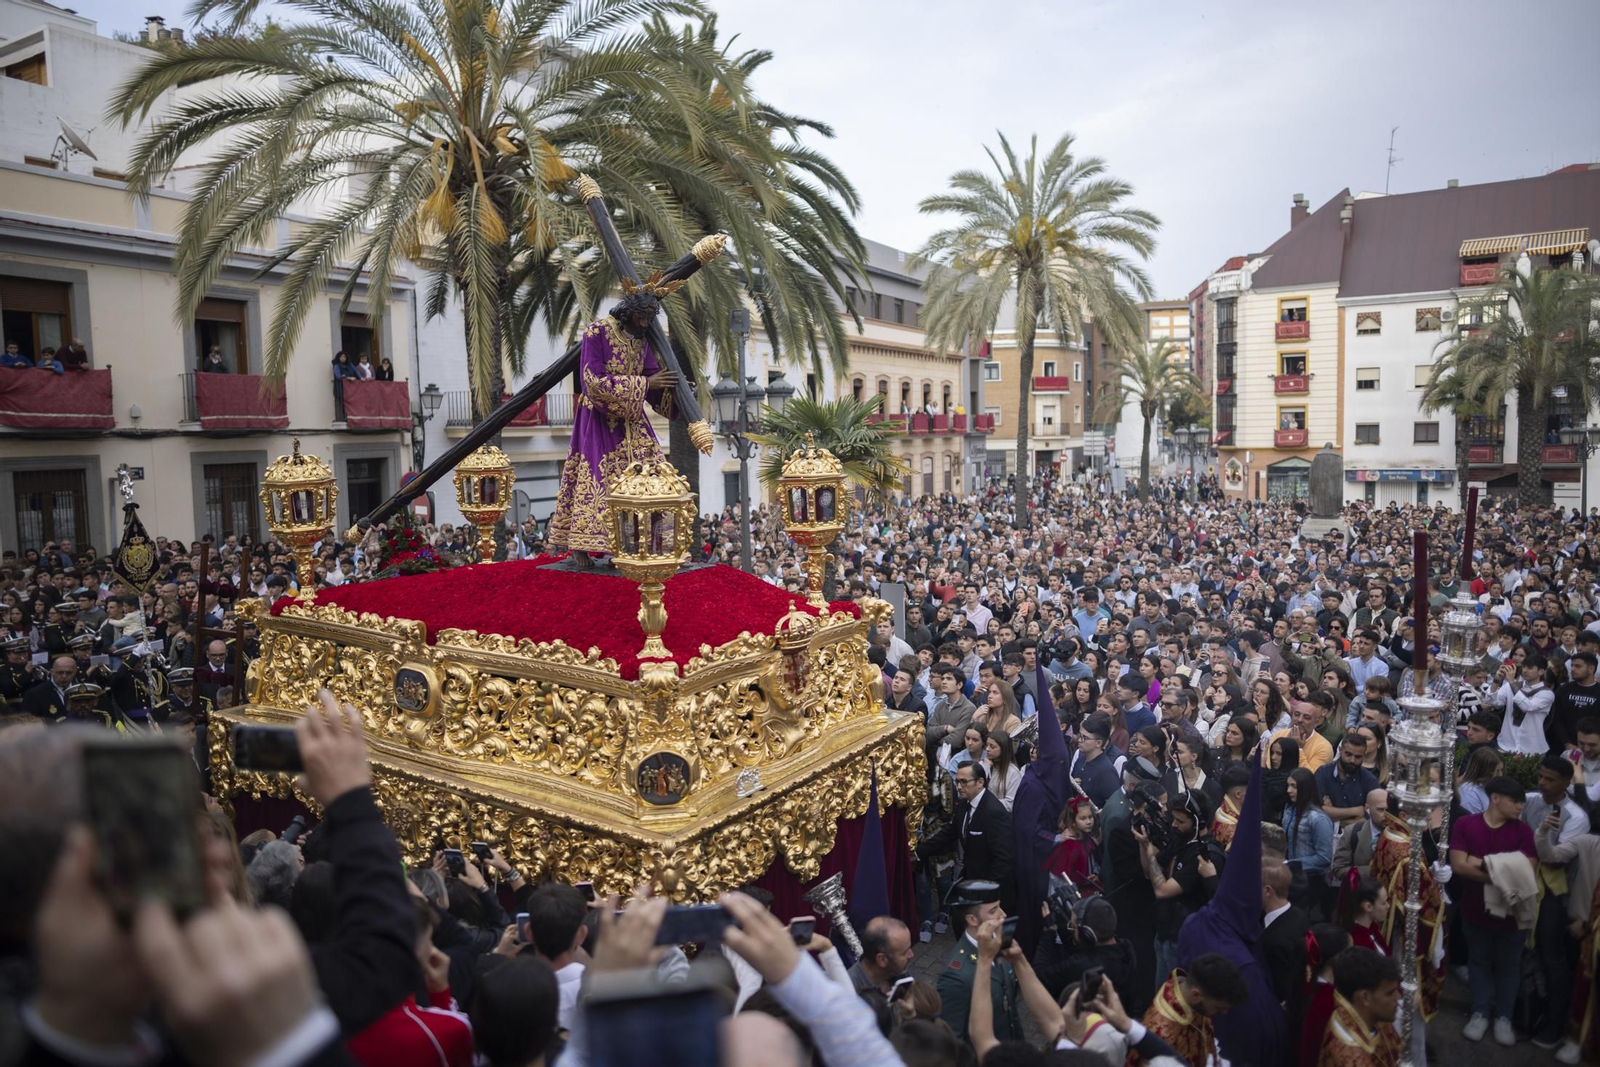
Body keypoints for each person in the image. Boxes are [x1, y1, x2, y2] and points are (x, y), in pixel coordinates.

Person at [547, 289, 680, 561]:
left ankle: (644, 543)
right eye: (641, 316)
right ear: (628, 310)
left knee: (651, 473)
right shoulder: (596, 333)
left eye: (649, 318)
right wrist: (644, 384)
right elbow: (592, 381)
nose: (645, 323)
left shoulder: (642, 341)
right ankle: (581, 545)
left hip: (633, 421)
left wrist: (670, 390)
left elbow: (653, 377)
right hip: (599, 418)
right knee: (596, 476)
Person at [1450, 774, 1539, 1046]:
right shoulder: (1466, 824)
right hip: (1474, 908)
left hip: (1512, 913)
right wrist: (1504, 872)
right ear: (1495, 799)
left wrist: (1483, 863)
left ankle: (1504, 1017)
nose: (1519, 807)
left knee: (1509, 967)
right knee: (1478, 961)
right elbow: (1458, 865)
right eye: (1515, 801)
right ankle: (1479, 1012)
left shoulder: (1522, 831)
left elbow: (1530, 868)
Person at [932, 879, 1022, 1043]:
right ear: (972, 920)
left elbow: (1011, 1012)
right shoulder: (956, 976)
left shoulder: (1000, 943)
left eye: (999, 906)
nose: (1003, 915)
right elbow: (953, 1041)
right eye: (994, 910)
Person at [916, 763, 1015, 912]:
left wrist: (988, 895)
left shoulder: (994, 813)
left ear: (980, 782)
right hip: (971, 879)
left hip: (990, 890)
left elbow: (1003, 860)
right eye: (957, 782)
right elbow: (950, 832)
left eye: (964, 782)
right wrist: (919, 851)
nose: (959, 787)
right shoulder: (964, 804)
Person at [1140, 952, 1248, 1067]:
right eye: (1218, 1008)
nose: (1224, 1012)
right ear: (1195, 995)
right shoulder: (1162, 1034)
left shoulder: (1192, 995)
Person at [1318, 948, 1403, 1067]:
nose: (1398, 998)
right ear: (1365, 997)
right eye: (1390, 993)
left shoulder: (1368, 1014)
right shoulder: (1351, 1058)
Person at [847, 916, 915, 996]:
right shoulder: (850, 992)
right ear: (882, 960)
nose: (912, 955)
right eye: (904, 953)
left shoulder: (896, 970)